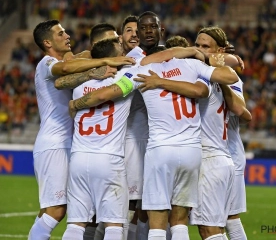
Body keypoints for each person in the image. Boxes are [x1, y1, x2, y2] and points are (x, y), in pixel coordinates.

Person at [68, 38, 239, 240]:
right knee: (179, 222)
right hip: (191, 151)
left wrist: (75, 104)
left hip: (158, 151)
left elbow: (104, 93)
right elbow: (229, 77)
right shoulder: (192, 65)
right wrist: (204, 57)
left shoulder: (141, 71)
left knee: (154, 225)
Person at [28, 19, 135, 240]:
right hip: (54, 143)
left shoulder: (75, 65)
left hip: (74, 146)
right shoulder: (46, 64)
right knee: (56, 211)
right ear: (47, 42)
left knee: (72, 214)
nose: (67, 36)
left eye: (66, 32)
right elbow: (66, 69)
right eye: (60, 34)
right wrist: (108, 59)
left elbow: (76, 63)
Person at [189, 26, 251, 240]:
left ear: (220, 51)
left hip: (220, 153)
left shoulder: (222, 76)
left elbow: (242, 111)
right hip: (221, 153)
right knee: (226, 220)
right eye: (196, 45)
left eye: (205, 46)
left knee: (214, 225)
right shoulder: (206, 72)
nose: (198, 50)